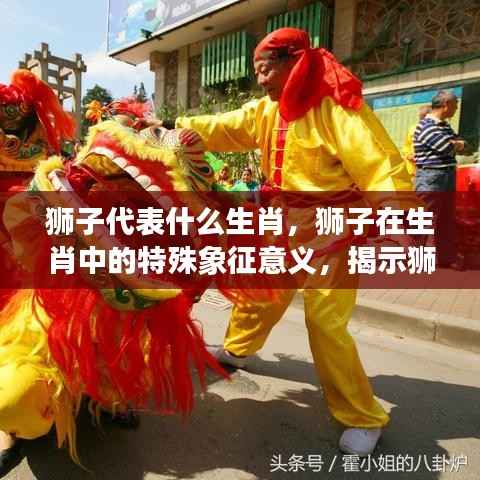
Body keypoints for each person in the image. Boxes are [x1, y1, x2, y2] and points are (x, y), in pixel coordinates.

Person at [173, 28, 412, 456]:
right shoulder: (266, 110)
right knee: (261, 292)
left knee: (325, 323)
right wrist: (172, 128)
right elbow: (224, 127)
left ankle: (363, 417)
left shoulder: (338, 108)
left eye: (265, 69)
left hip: (331, 229)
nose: (260, 79)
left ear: (293, 62)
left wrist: (396, 216)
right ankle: (238, 349)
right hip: (281, 223)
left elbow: (378, 162)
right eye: (257, 71)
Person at [413, 90, 463, 268]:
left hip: (446, 175)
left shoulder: (444, 126)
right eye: (455, 104)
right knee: (423, 218)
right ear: (446, 105)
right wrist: (456, 144)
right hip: (431, 176)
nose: (457, 108)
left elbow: (463, 144)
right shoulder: (426, 126)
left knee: (446, 219)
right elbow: (446, 147)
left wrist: (457, 144)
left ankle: (447, 258)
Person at [401, 105, 431, 182]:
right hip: (412, 171)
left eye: (424, 115)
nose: (421, 117)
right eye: (421, 115)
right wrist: (408, 155)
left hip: (427, 171)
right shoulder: (412, 128)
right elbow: (406, 146)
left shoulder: (436, 129)